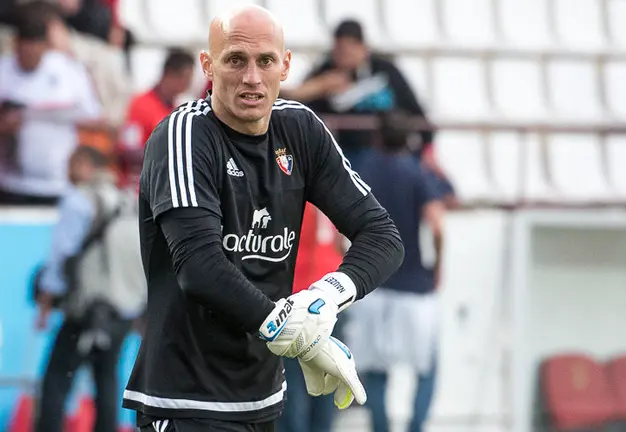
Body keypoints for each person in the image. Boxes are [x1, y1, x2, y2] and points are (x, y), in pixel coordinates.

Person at [121, 5, 405, 432]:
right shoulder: (182, 136)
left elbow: (382, 235)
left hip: (263, 400)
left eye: (265, 61)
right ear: (208, 66)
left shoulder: (301, 130)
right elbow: (199, 268)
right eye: (235, 60)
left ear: (285, 65)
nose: (251, 77)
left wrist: (324, 300)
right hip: (185, 400)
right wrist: (294, 336)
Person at [34, 145, 146, 432]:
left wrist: (46, 301)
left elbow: (62, 254)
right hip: (122, 309)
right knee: (106, 380)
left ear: (85, 164)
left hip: (86, 308)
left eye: (71, 163)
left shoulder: (79, 201)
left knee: (57, 380)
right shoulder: (127, 201)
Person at [348, 111, 445, 432]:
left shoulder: (363, 168)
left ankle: (381, 427)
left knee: (375, 371)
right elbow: (437, 226)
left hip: (373, 286)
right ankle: (415, 426)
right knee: (426, 368)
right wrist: (438, 266)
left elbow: (340, 228)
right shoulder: (417, 172)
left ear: (377, 136)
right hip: (415, 287)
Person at [0, 1, 103, 206]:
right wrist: (2, 125)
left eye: (36, 49)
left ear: (45, 45)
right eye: (26, 49)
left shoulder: (68, 71)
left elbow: (94, 117)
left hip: (57, 182)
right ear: (16, 43)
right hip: (10, 182)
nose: (31, 55)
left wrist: (47, 115)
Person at [280, 19, 433, 168]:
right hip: (345, 154)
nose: (344, 55)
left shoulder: (385, 71)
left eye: (350, 48)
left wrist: (427, 149)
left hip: (391, 152)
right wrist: (321, 86)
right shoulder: (326, 72)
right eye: (339, 49)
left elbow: (414, 109)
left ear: (363, 48)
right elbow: (297, 105)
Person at [279, 203, 345, 432]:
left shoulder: (296, 188)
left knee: (294, 381)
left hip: (299, 291)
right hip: (330, 291)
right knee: (326, 378)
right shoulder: (330, 189)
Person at [118, 48, 195, 190]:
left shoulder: (177, 110)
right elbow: (127, 150)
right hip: (137, 189)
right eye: (186, 78)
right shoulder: (140, 104)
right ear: (170, 74)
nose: (188, 84)